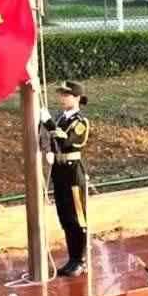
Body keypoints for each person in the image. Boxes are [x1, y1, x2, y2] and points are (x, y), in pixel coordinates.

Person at [37, 81, 92, 276]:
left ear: (77, 98)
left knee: (77, 218)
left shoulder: (80, 122)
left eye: (66, 95)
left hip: (73, 172)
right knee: (65, 217)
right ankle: (72, 259)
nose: (62, 98)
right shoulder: (61, 118)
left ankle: (81, 260)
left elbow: (65, 141)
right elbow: (50, 139)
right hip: (60, 171)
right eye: (61, 94)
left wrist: (48, 122)